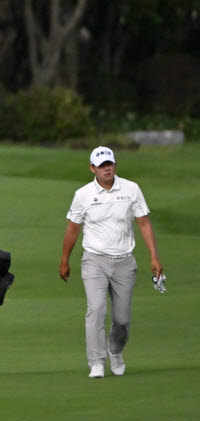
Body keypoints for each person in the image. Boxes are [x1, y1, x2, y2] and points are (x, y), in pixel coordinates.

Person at [60, 146, 162, 378]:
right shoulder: (83, 194)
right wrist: (64, 260)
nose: (106, 168)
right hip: (94, 260)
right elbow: (73, 229)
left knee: (122, 320)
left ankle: (115, 351)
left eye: (110, 164)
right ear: (92, 168)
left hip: (124, 261)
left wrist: (154, 256)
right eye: (101, 165)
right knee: (95, 310)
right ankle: (96, 361)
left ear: (115, 165)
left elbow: (144, 223)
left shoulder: (131, 189)